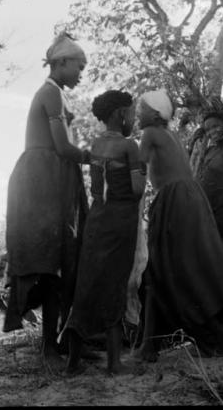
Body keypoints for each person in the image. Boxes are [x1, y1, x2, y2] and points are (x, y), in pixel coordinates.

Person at [136, 89, 223, 362]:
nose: (138, 113)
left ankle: (151, 346)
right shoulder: (171, 135)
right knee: (182, 268)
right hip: (192, 199)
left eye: (141, 108)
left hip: (173, 200)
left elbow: (135, 170)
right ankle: (153, 343)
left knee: (160, 268)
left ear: (155, 114)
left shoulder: (150, 134)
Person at [4, 32, 91, 368]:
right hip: (40, 181)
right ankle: (49, 349)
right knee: (49, 262)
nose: (81, 73)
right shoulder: (50, 94)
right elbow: (62, 147)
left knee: (62, 259)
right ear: (62, 63)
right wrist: (98, 157)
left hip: (53, 178)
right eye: (79, 66)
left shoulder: (57, 94)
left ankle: (58, 342)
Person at [65, 90, 146, 375]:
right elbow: (137, 190)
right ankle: (114, 363)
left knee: (87, 286)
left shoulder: (98, 144)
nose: (134, 118)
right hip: (120, 221)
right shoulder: (129, 146)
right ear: (120, 114)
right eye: (132, 112)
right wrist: (144, 172)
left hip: (97, 220)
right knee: (115, 284)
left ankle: (72, 362)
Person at [190, 99, 223, 262]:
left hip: (222, 210)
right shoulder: (208, 151)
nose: (212, 132)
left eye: (216, 126)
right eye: (208, 130)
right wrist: (193, 142)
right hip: (203, 209)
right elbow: (193, 170)